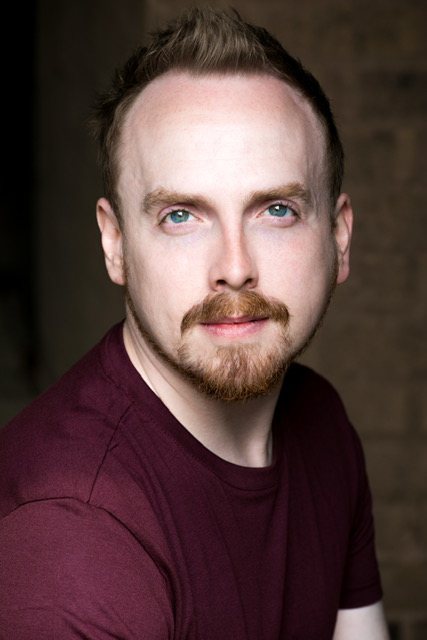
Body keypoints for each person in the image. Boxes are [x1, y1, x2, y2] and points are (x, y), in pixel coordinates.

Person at [0, 7, 389, 639]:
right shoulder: (73, 543)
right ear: (115, 244)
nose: (234, 268)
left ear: (339, 239)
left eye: (277, 210)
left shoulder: (322, 424)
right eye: (180, 216)